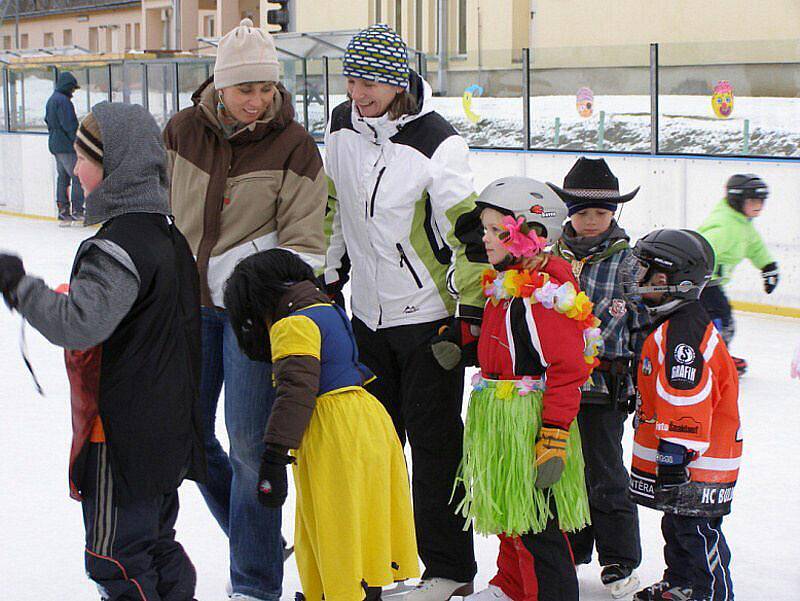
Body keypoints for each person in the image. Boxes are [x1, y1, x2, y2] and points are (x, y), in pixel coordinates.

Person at [0, 102, 205, 600]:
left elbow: (80, 323)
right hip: (166, 427)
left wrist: (19, 286)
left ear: (114, 164)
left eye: (81, 155)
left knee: (117, 558)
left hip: (121, 435)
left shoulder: (118, 246)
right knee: (156, 544)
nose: (74, 166)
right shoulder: (168, 236)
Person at [164, 18, 327, 600]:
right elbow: (159, 215)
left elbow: (305, 245)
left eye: (266, 88)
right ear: (219, 86)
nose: (257, 101)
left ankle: (254, 584)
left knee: (251, 445)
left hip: (253, 315)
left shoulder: (296, 146)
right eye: (245, 89)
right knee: (185, 434)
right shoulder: (181, 132)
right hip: (189, 306)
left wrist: (248, 279)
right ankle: (253, 537)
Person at [323, 23, 487, 600]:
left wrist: (467, 316)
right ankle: (378, 563)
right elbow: (335, 206)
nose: (357, 91)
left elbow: (468, 235)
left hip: (427, 319)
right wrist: (327, 275)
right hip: (367, 316)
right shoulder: (341, 125)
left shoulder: (437, 143)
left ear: (396, 82)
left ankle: (448, 569)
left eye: (369, 80)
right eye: (351, 77)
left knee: (436, 445)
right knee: (371, 447)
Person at [223, 249, 419, 601]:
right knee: (359, 522)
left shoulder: (292, 324)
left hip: (332, 431)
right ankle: (359, 591)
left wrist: (273, 456)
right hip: (366, 420)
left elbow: (295, 393)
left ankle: (338, 594)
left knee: (334, 524)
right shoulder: (327, 310)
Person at [460, 176, 597, 601]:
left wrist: (553, 434)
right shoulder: (509, 281)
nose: (485, 239)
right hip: (499, 410)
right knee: (509, 508)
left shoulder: (546, 293)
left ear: (529, 235)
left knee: (538, 521)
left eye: (495, 231)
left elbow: (568, 366)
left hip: (530, 417)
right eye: (484, 229)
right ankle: (513, 584)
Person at [622, 229, 741, 601]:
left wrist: (675, 451)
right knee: (676, 524)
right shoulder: (670, 324)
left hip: (698, 459)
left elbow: (685, 400)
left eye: (643, 271)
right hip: (684, 455)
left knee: (697, 529)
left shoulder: (684, 336)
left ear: (668, 280)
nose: (634, 277)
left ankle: (711, 592)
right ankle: (681, 584)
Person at [548, 157, 645, 598]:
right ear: (568, 212)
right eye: (583, 213)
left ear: (614, 215)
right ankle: (572, 545)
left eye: (601, 214)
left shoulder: (629, 262)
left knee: (606, 474)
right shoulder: (551, 257)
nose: (591, 222)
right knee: (563, 470)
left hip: (606, 389)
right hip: (555, 390)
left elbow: (643, 324)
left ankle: (620, 558)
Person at [697, 173, 778, 375]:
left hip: (712, 282)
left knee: (721, 318)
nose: (758, 205)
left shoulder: (742, 223)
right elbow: (701, 248)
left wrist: (768, 267)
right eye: (753, 201)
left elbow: (755, 247)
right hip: (704, 282)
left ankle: (716, 355)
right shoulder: (725, 226)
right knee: (721, 320)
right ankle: (712, 358)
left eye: (761, 201)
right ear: (737, 200)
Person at [45, 71, 85, 225]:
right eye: (72, 88)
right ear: (67, 87)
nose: (73, 92)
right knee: (77, 176)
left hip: (55, 144)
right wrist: (77, 142)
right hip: (66, 146)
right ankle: (77, 210)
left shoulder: (52, 100)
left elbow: (48, 120)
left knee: (62, 178)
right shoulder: (63, 101)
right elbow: (69, 124)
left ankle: (63, 211)